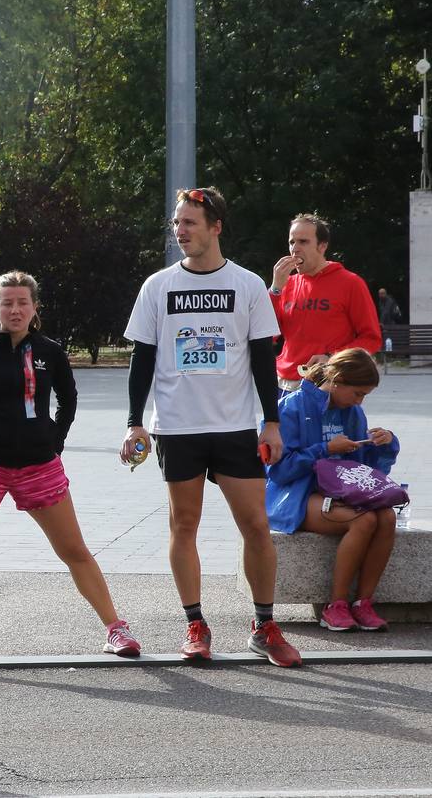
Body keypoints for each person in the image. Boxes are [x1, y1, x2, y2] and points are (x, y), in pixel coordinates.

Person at [122, 186, 301, 667]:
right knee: (184, 524)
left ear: (215, 227)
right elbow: (143, 359)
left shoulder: (245, 286)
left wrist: (272, 422)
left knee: (256, 526)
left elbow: (265, 361)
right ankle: (195, 624)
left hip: (236, 427)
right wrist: (135, 423)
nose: (180, 231)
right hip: (177, 427)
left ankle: (264, 625)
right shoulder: (158, 286)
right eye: (177, 223)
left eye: (190, 223)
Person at [0, 271, 141, 658]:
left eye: (22, 302)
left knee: (74, 550)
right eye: (6, 302)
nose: (14, 309)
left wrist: (54, 442)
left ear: (34, 307)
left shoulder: (50, 351)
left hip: (39, 467)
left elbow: (69, 400)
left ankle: (115, 628)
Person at [265, 348, 400, 631]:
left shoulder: (353, 413)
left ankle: (363, 603)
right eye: (358, 393)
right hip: (296, 495)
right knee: (363, 520)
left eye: (364, 395)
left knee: (386, 517)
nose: (360, 401)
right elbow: (278, 471)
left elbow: (362, 472)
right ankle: (336, 605)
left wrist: (384, 443)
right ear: (337, 381)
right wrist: (324, 449)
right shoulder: (292, 406)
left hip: (338, 495)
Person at [269, 214, 381, 391]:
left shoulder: (350, 283)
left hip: (327, 382)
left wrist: (332, 357)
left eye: (303, 242)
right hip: (284, 383)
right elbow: (268, 334)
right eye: (292, 242)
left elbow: (371, 339)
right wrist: (275, 289)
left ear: (322, 246)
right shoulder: (286, 284)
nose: (295, 249)